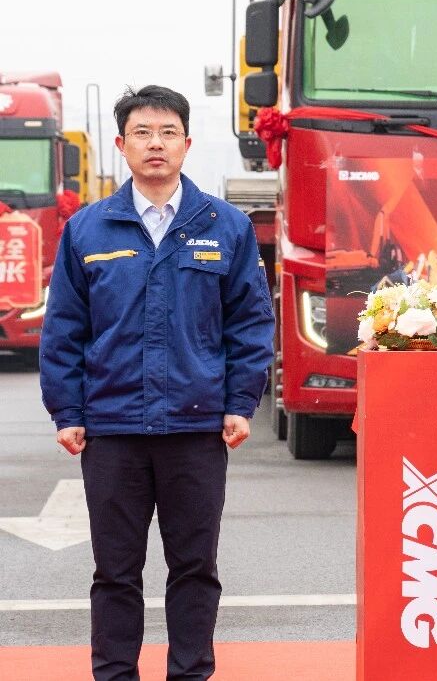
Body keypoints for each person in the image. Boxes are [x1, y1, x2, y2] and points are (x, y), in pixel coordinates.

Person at [40, 85, 275, 681]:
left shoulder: (225, 227)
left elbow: (250, 323)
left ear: (187, 144)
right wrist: (68, 412)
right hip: (112, 429)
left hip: (196, 427)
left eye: (168, 133)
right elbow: (64, 328)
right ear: (122, 145)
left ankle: (190, 673)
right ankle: (114, 674)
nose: (156, 144)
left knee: (195, 568)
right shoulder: (88, 229)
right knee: (115, 572)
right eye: (143, 132)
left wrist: (240, 402)